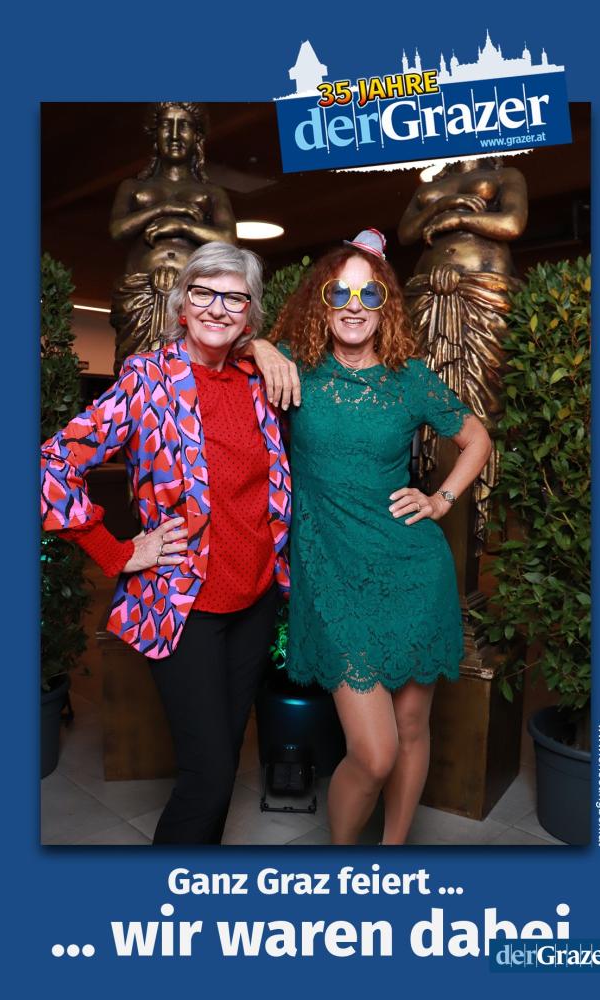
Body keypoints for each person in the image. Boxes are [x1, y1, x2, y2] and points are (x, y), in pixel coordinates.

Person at [41, 243, 290, 845]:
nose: (218, 308)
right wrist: (119, 552)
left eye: (235, 298)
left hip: (256, 601)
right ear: (183, 304)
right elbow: (51, 465)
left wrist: (263, 348)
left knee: (222, 768)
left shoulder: (260, 382)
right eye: (204, 293)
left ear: (250, 314)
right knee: (208, 778)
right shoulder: (147, 380)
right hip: (186, 606)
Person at [250, 229, 492, 846]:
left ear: (386, 306)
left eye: (369, 294)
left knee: (411, 728)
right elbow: (215, 344)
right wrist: (260, 342)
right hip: (332, 574)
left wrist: (440, 500)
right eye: (340, 293)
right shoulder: (294, 368)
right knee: (374, 751)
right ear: (321, 303)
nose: (354, 306)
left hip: (412, 569)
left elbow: (477, 439)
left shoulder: (410, 380)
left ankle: (390, 855)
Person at [398, 158, 528, 549]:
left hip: (484, 294)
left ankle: (474, 535)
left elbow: (511, 224)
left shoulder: (505, 174)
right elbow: (406, 233)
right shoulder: (432, 182)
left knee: (481, 407)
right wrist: (446, 205)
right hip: (426, 296)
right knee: (425, 406)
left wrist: (455, 220)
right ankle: (429, 517)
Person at [109, 102, 237, 372]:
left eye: (184, 125)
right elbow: (117, 229)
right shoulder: (132, 187)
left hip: (193, 297)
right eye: (167, 125)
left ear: (197, 136)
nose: (175, 134)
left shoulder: (212, 193)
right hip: (140, 293)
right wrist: (164, 208)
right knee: (134, 373)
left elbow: (228, 240)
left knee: (190, 373)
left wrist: (181, 226)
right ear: (155, 134)